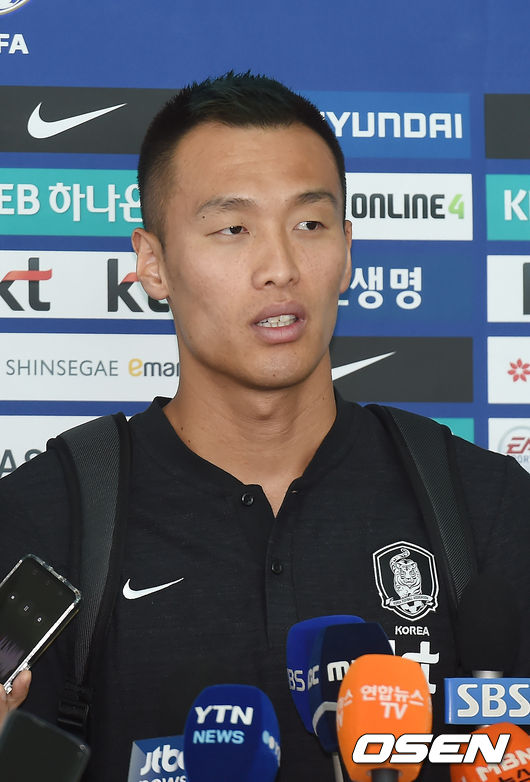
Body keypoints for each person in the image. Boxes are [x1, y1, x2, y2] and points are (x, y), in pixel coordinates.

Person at [0, 72, 528, 782]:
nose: (280, 268)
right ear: (153, 263)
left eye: (309, 225)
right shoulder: (44, 518)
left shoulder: (486, 505)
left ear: (347, 249)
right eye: (233, 229)